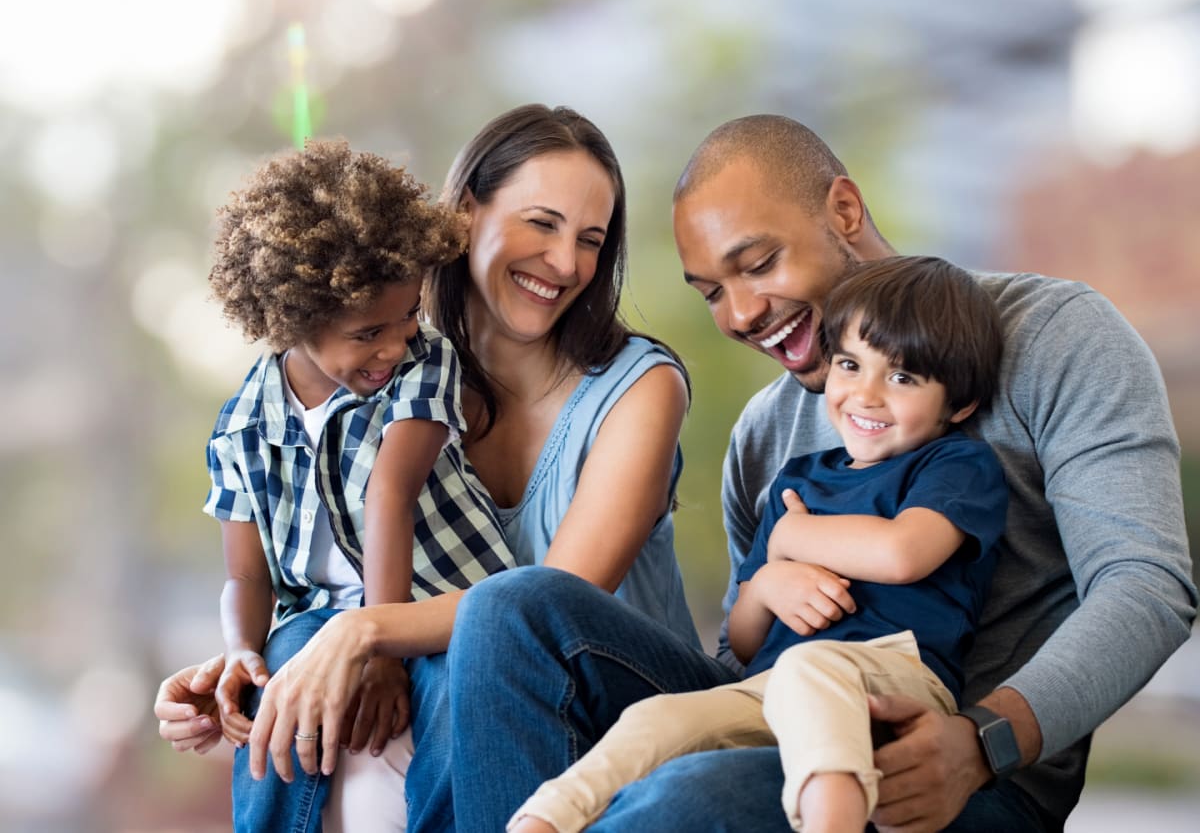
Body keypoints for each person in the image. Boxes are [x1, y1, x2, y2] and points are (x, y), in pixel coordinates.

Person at [437, 113, 1196, 832]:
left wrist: (982, 741)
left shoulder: (1055, 336)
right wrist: (767, 588)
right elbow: (742, 657)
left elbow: (1146, 587)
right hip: (776, 715)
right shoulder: (765, 432)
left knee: (687, 795)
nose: (740, 314)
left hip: (962, 775)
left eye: (759, 264)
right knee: (509, 607)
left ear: (844, 210)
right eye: (712, 293)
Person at [153, 104, 702, 832]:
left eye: (590, 241)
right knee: (302, 660)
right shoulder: (381, 369)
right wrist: (240, 663)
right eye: (542, 224)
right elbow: (311, 562)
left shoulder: (639, 387)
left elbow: (544, 610)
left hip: (615, 702)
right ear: (466, 212)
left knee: (476, 642)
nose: (567, 263)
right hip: (470, 698)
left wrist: (364, 632)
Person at [509, 255, 1008, 833]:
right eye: (850, 365)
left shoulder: (955, 464)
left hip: (894, 677)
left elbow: (903, 554)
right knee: (660, 718)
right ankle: (543, 820)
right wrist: (769, 582)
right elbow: (745, 642)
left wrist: (795, 537)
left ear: (959, 404)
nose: (866, 395)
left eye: (902, 378)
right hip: (772, 687)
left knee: (808, 667)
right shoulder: (799, 482)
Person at [201, 138, 516, 831]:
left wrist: (381, 645)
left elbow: (389, 494)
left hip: (440, 601)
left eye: (408, 315)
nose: (394, 345)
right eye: (369, 332)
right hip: (318, 617)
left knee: (454, 696)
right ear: (294, 321)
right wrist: (241, 651)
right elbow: (246, 577)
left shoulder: (424, 363)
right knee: (276, 688)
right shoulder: (241, 428)